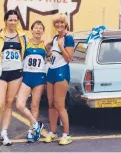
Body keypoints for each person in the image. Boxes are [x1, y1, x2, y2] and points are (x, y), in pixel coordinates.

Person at [0, 9, 27, 146]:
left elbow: (26, 51)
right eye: (10, 20)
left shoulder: (22, 36)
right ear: (6, 21)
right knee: (0, 103)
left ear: (18, 21)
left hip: (16, 73)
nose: (13, 22)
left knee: (9, 103)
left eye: (15, 20)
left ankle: (4, 133)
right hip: (1, 73)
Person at [44, 13, 75, 145]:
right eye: (57, 23)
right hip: (51, 70)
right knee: (51, 104)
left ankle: (66, 134)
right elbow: (52, 55)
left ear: (65, 23)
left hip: (62, 71)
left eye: (61, 23)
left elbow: (68, 58)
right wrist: (48, 50)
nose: (59, 25)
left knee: (59, 105)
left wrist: (61, 46)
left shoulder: (68, 38)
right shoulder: (56, 37)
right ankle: (53, 131)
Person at [15, 20, 46, 143]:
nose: (38, 30)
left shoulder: (45, 45)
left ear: (43, 31)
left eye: (40, 28)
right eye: (36, 28)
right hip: (27, 77)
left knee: (34, 105)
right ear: (32, 30)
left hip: (39, 78)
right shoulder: (25, 43)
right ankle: (35, 124)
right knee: (19, 104)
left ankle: (32, 131)